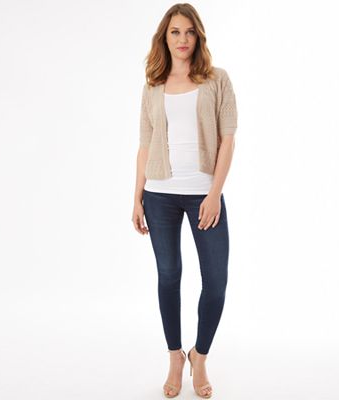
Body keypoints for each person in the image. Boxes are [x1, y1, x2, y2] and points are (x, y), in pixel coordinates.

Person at [131, 3, 238, 398]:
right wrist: (137, 197)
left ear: (199, 36)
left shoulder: (217, 79)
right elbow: (145, 145)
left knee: (216, 282)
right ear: (165, 37)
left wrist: (214, 193)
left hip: (204, 195)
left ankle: (200, 355)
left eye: (189, 32)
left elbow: (228, 139)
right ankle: (175, 356)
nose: (182, 39)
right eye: (175, 32)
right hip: (159, 195)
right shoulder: (153, 86)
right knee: (168, 275)